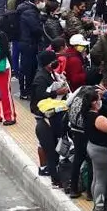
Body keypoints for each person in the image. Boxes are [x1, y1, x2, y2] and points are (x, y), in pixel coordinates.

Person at [32, 51, 68, 187]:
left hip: (52, 117)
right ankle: (55, 178)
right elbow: (40, 95)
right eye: (53, 61)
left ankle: (55, 174)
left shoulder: (50, 74)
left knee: (54, 148)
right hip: (45, 119)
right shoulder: (40, 78)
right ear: (48, 63)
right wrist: (56, 93)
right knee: (50, 150)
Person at [83, 89, 107, 211]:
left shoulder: (87, 114)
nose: (101, 102)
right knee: (101, 180)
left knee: (97, 179)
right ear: (94, 102)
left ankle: (97, 207)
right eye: (99, 99)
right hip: (101, 151)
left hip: (93, 147)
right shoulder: (98, 118)